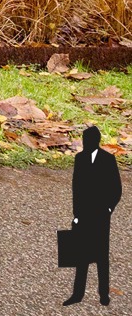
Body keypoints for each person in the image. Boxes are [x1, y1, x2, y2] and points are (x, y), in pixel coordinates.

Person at [70, 125, 122, 306]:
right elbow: (76, 188)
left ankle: (103, 294)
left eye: (88, 140)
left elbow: (116, 188)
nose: (85, 143)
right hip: (84, 214)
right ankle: (77, 294)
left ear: (96, 141)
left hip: (100, 214)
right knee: (81, 255)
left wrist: (108, 209)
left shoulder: (108, 159)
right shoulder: (80, 158)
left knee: (102, 256)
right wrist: (76, 214)